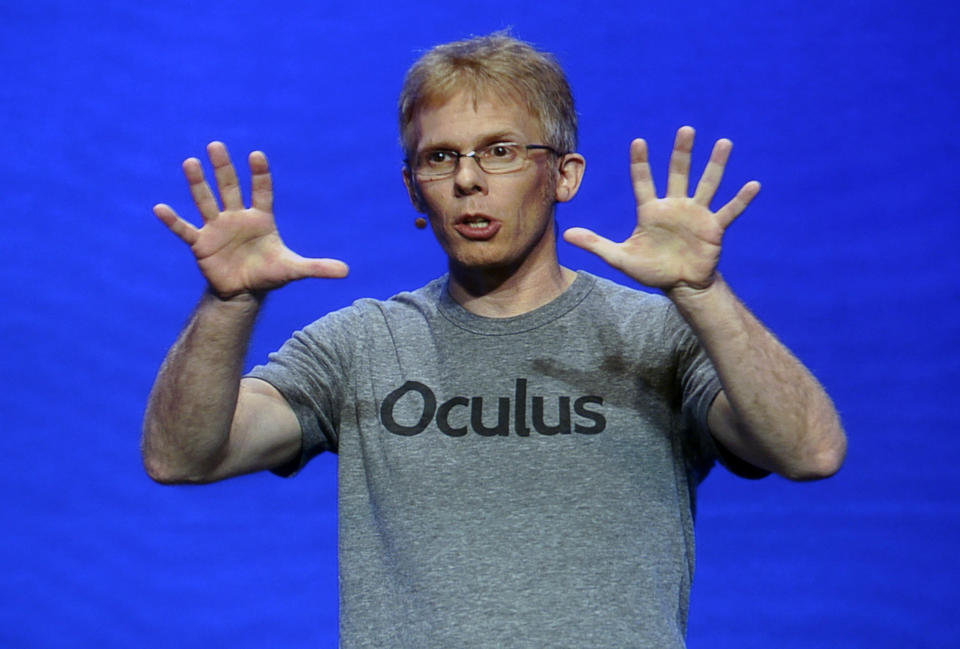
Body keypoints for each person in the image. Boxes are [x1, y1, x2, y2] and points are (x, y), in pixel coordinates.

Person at [143, 33, 846, 649]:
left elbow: (810, 450)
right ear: (415, 193)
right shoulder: (362, 344)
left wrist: (701, 294)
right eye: (440, 157)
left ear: (564, 174)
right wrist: (228, 302)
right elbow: (181, 457)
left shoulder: (657, 337)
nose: (468, 179)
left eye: (500, 151)